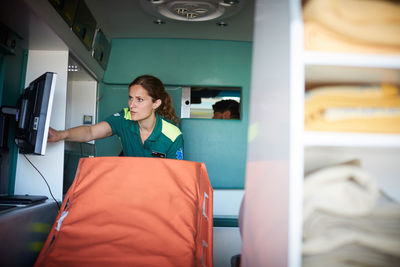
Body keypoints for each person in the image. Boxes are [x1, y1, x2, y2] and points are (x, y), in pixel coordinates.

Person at [48, 75, 184, 160]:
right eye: (130, 98)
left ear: (156, 103)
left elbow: (175, 176)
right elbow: (90, 132)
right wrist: (60, 135)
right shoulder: (124, 118)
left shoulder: (173, 134)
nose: (132, 105)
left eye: (140, 100)